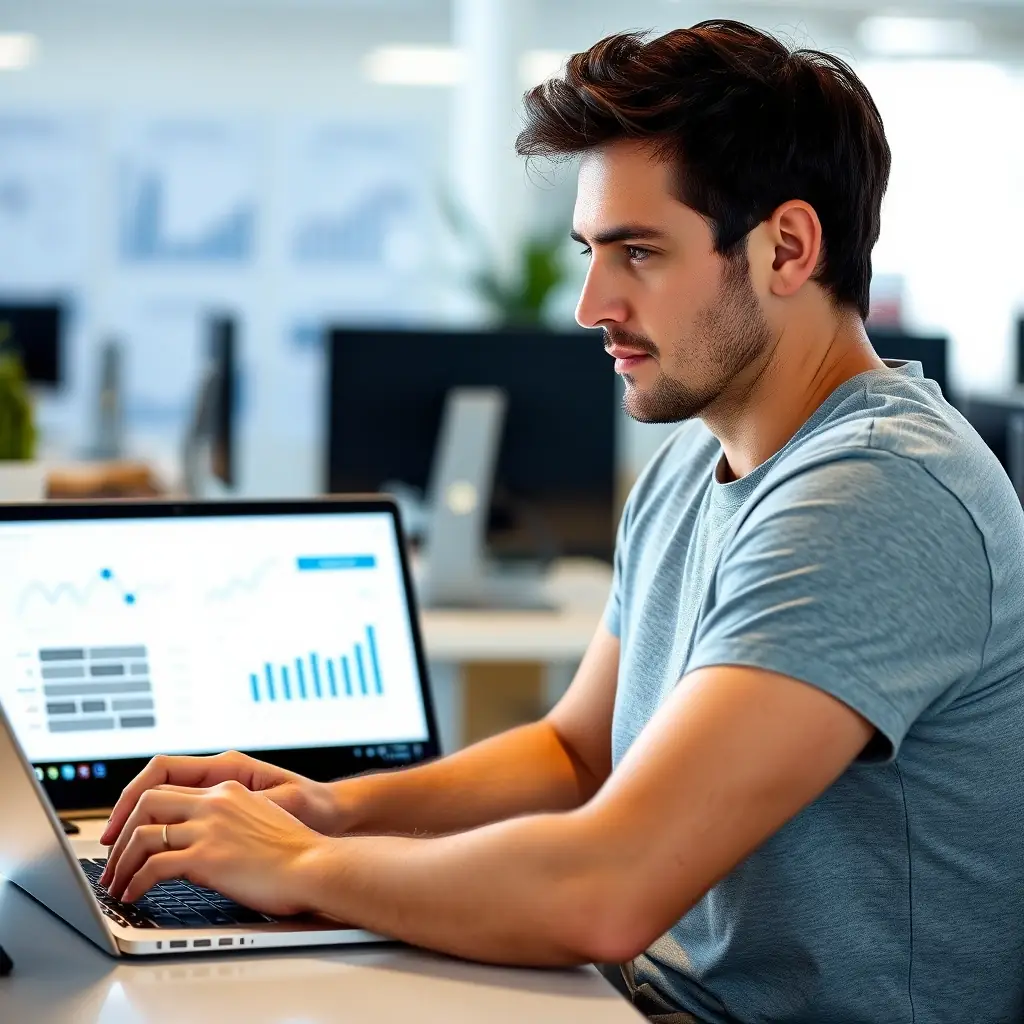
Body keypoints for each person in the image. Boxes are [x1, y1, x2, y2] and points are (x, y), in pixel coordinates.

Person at [99, 19, 1024, 1023]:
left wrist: (309, 865)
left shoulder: (879, 493)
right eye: (591, 251)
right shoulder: (690, 468)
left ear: (785, 248)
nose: (590, 303)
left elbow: (606, 887)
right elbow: (576, 754)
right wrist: (330, 806)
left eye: (637, 253)